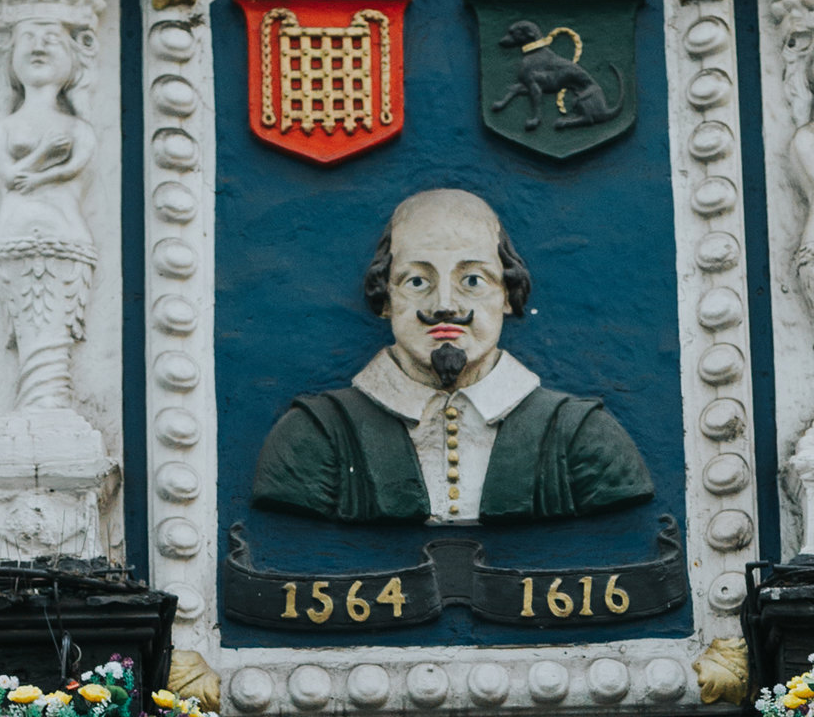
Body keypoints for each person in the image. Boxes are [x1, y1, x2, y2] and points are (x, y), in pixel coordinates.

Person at [247, 187, 654, 526]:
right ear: (385, 297)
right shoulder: (314, 437)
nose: (444, 305)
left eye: (472, 280)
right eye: (418, 280)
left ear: (508, 296)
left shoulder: (584, 438)